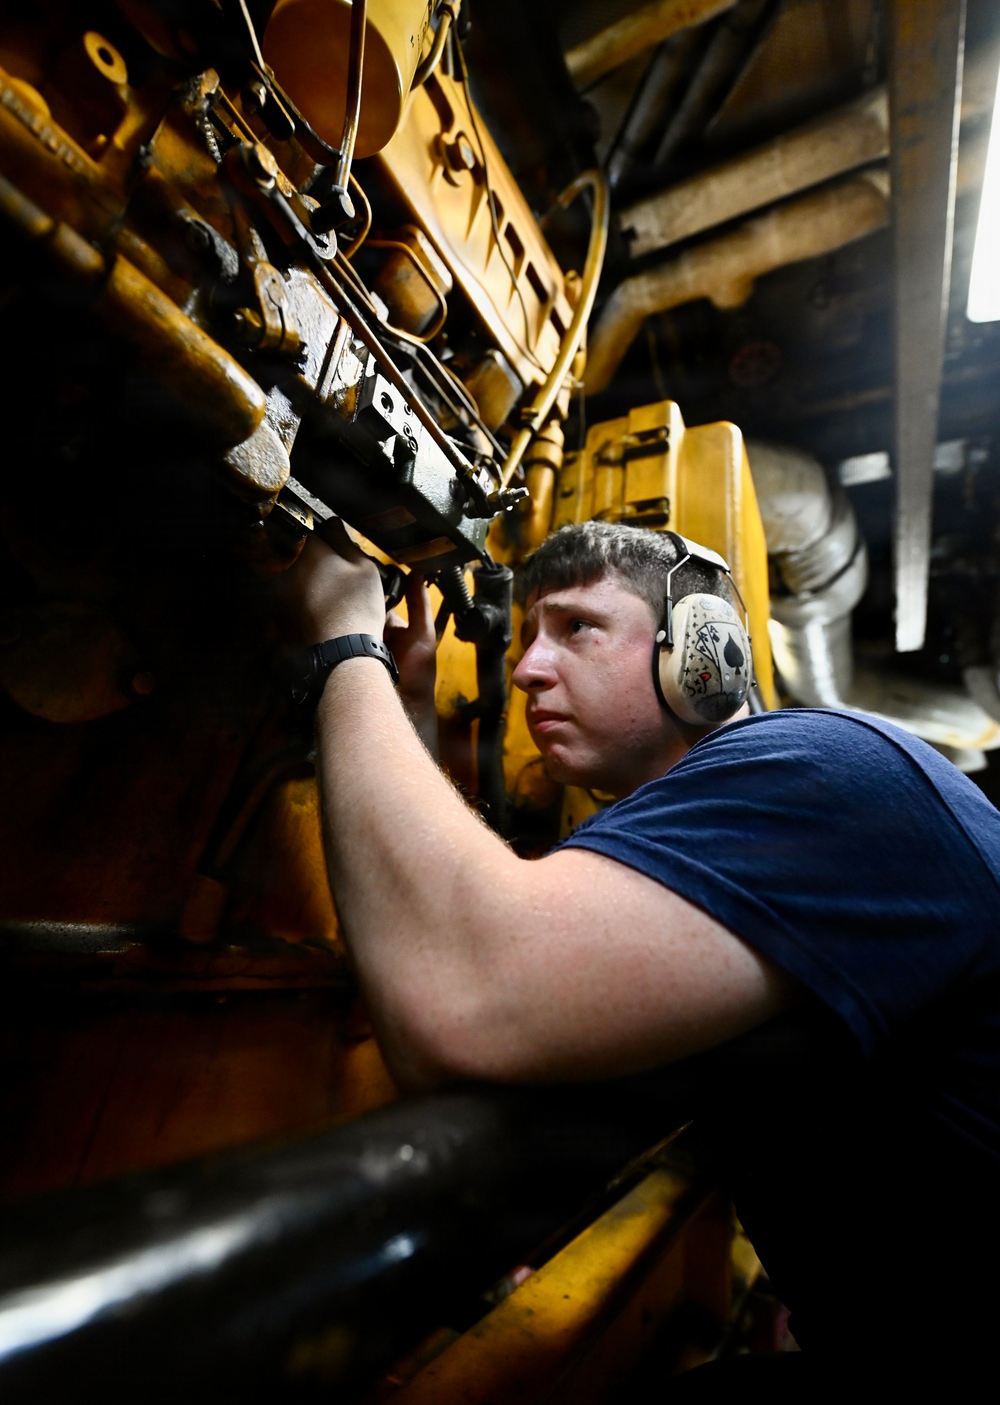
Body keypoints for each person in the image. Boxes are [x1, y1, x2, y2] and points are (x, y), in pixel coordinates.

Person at [286, 517, 1000, 1392]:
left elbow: (464, 993)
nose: (524, 669)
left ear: (705, 650)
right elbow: (503, 958)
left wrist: (344, 638)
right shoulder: (698, 820)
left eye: (578, 626)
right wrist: (409, 711)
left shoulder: (826, 771)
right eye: (526, 637)